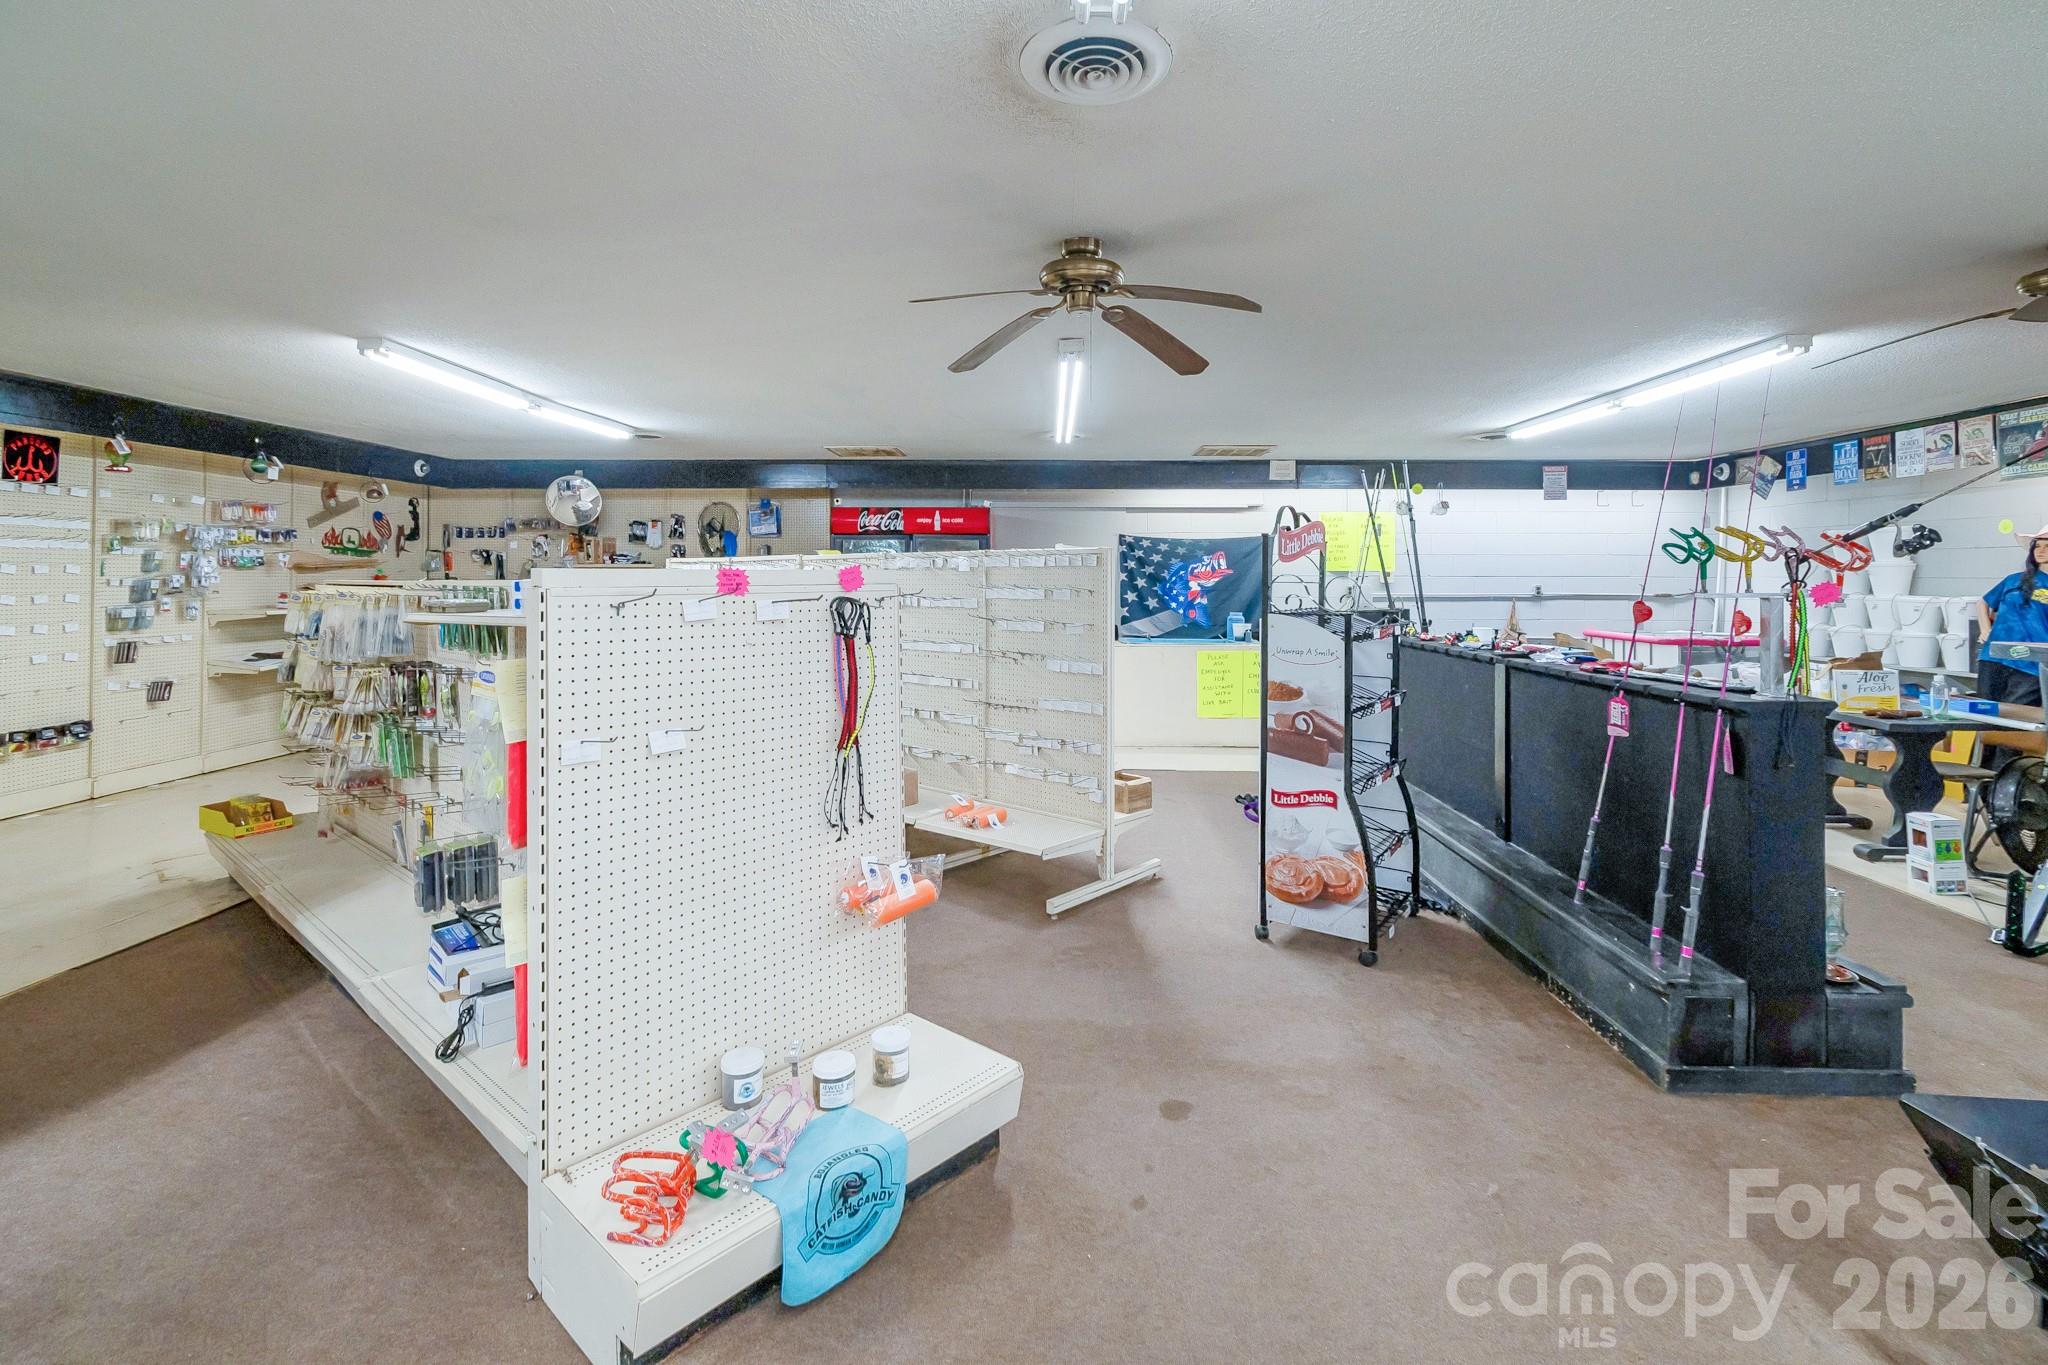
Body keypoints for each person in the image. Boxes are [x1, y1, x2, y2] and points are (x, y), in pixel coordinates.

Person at [1974, 526, 2048, 705]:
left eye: (2047, 546)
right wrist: (1985, 630)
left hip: (2031, 662)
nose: (2041, 551)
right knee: (1985, 710)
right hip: (1994, 657)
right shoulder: (2013, 580)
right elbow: (1983, 602)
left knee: (2018, 714)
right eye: (2037, 546)